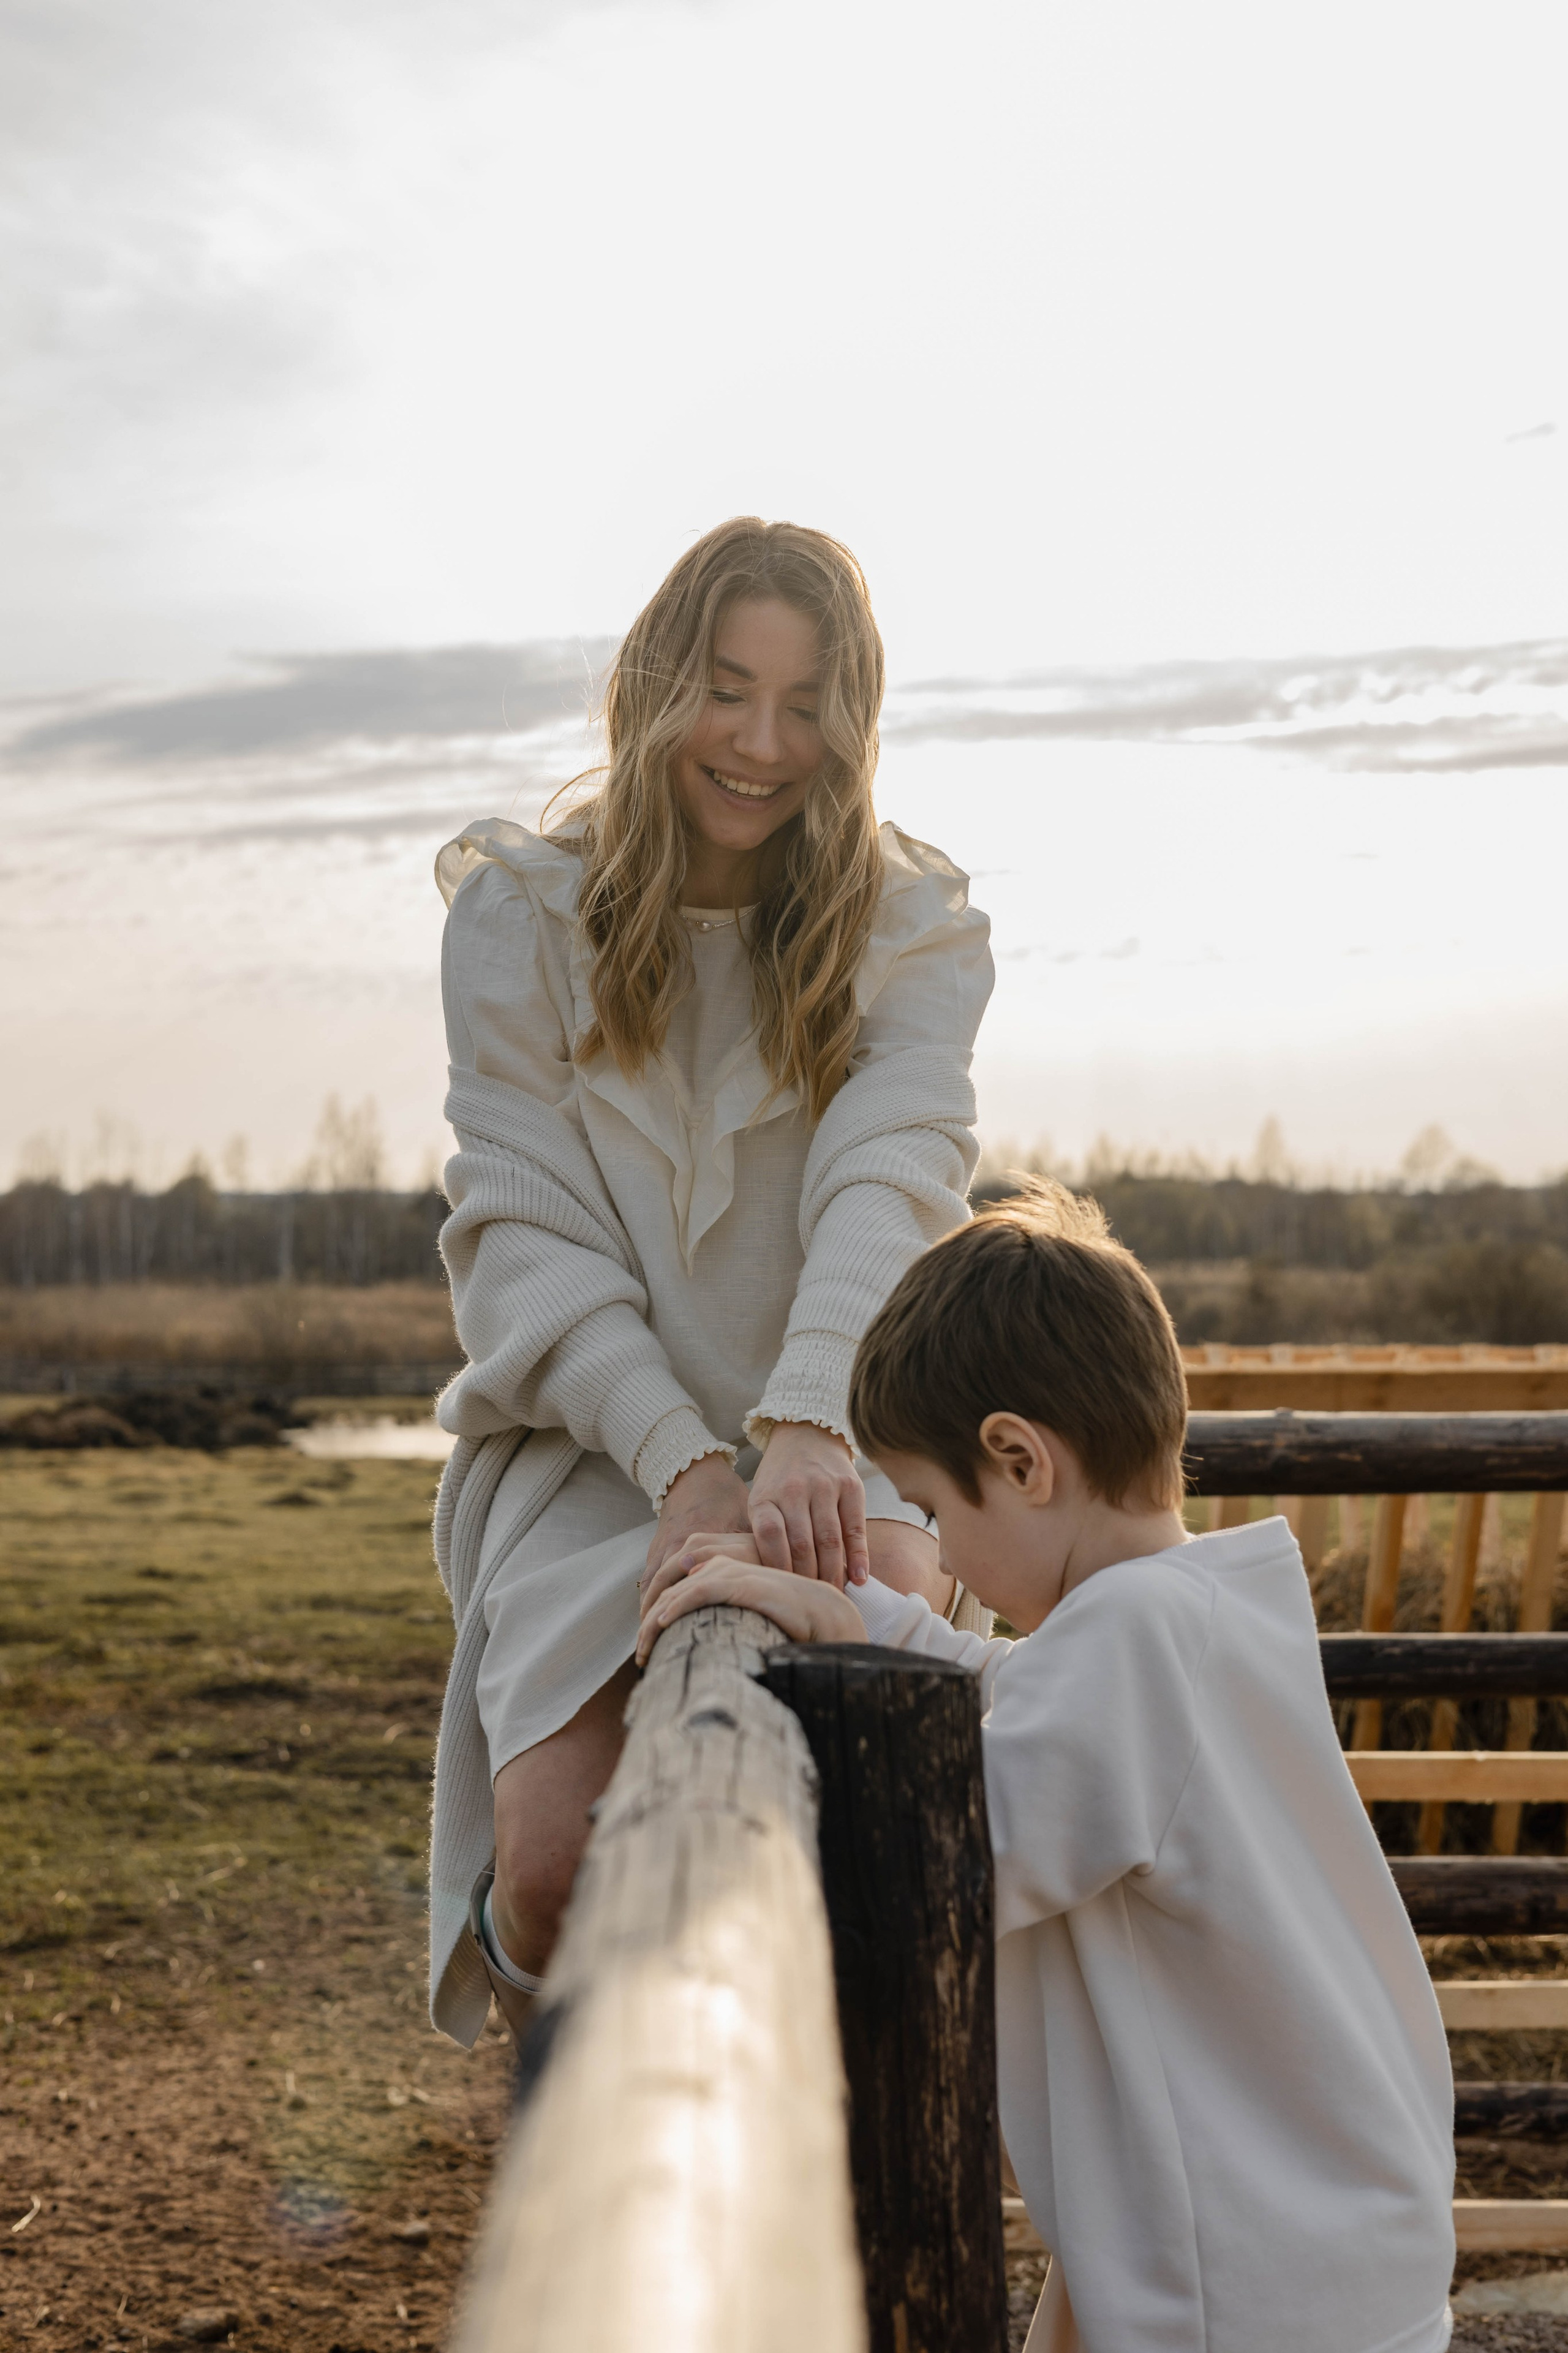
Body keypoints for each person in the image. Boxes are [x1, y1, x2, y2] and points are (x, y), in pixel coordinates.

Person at [640, 1180, 1457, 2353]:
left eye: (933, 1508)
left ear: (1021, 1460)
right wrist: (847, 1610)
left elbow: (955, 1856)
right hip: (1328, 2232)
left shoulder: (1130, 1643)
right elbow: (1010, 1687)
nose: (940, 1552)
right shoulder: (1201, 1610)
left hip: (1251, 2277)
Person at [425, 516, 995, 2047]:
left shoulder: (907, 928)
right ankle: (583, 2116)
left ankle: (851, 2139)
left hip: (847, 1418)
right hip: (598, 1445)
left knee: (867, 1791)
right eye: (726, 691)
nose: (759, 742)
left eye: (804, 705)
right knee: (557, 1869)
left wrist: (809, 1417)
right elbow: (525, 1227)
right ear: (651, 689)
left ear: (850, 724)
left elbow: (891, 1181)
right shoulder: (520, 921)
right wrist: (682, 1461)